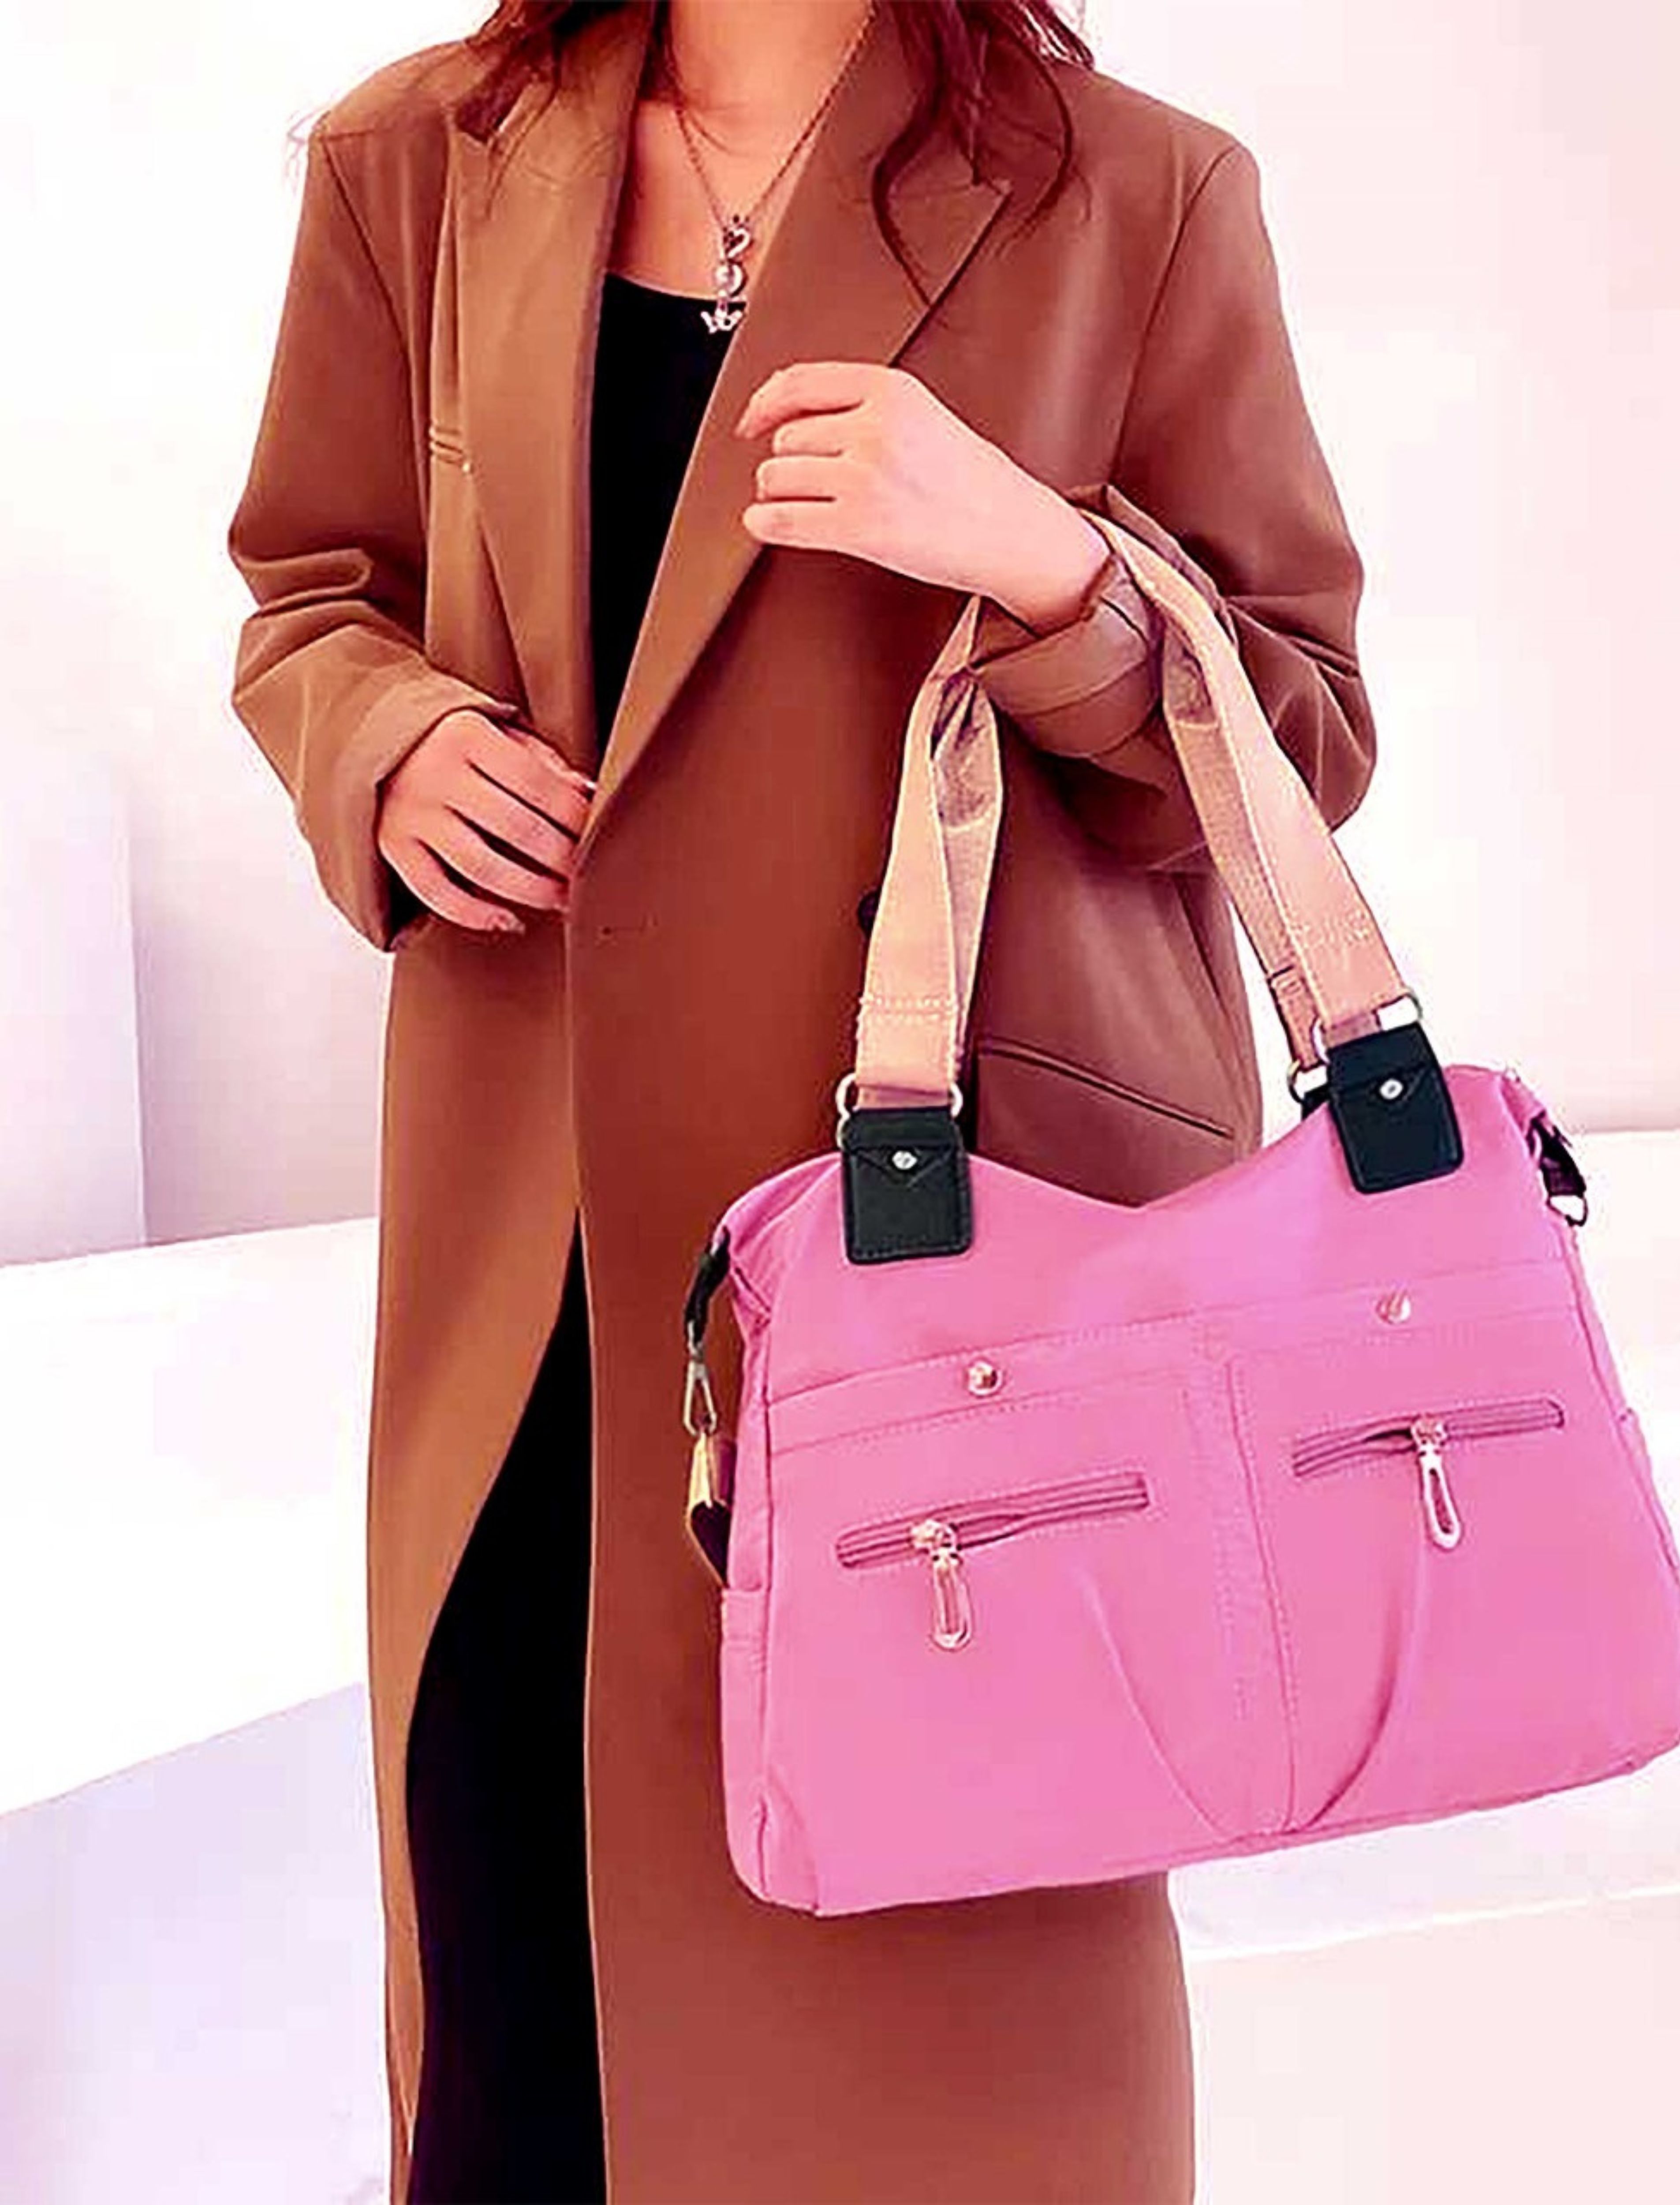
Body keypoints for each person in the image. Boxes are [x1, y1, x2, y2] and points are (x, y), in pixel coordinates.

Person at [225, 1, 1378, 2198]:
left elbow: (1294, 738)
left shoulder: (1136, 191)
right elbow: (312, 592)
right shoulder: (425, 156)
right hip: (543, 1247)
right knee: (520, 1943)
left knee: (958, 1984)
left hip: (954, 1262)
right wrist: (383, 743)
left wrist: (1051, 564)